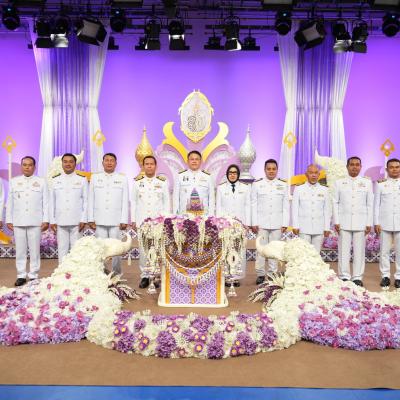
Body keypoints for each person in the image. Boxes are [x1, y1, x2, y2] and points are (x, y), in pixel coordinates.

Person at [6, 156, 49, 286]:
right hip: (18, 221)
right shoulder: (14, 182)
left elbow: (46, 203)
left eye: (30, 165)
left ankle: (33, 275)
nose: (27, 167)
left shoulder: (41, 182)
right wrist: (9, 219)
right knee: (20, 250)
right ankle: (21, 275)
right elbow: (10, 202)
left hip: (35, 221)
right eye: (24, 165)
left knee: (35, 250)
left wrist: (46, 219)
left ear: (34, 167)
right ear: (21, 166)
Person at [333, 156, 373, 287]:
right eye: (352, 164)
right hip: (343, 222)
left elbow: (369, 204)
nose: (354, 167)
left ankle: (357, 277)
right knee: (343, 250)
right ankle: (344, 276)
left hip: (361, 222)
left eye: (357, 165)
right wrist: (336, 221)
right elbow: (335, 202)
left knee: (359, 251)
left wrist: (369, 222)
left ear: (360, 167)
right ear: (347, 167)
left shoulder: (367, 183)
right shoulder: (339, 183)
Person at [131, 155, 170, 288]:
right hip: (142, 221)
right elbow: (134, 202)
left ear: (155, 166)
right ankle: (145, 276)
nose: (149, 166)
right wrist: (134, 220)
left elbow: (166, 202)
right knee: (143, 250)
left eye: (151, 164)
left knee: (157, 249)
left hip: (158, 222)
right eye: (146, 164)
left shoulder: (162, 182)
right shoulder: (137, 182)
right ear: (143, 166)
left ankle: (156, 276)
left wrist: (166, 219)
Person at [88, 153, 129, 274]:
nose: (109, 162)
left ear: (116, 163)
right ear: (103, 163)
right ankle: (101, 273)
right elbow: (91, 199)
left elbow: (125, 200)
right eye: (107, 160)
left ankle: (116, 273)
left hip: (116, 220)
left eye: (112, 160)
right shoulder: (95, 177)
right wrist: (90, 218)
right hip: (99, 220)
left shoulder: (122, 178)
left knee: (117, 249)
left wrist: (124, 219)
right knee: (101, 248)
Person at [251, 159, 289, 284]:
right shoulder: (257, 184)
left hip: (277, 223)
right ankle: (260, 274)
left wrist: (285, 223)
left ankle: (272, 273)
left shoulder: (283, 184)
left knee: (275, 250)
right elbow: (253, 204)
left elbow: (285, 205)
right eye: (269, 169)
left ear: (277, 170)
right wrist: (254, 222)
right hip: (261, 223)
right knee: (261, 249)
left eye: (274, 169)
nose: (271, 171)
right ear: (265, 170)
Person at [49, 153, 88, 263]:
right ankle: (62, 271)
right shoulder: (55, 180)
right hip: (60, 220)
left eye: (71, 162)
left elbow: (86, 201)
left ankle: (76, 272)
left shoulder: (82, 179)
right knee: (62, 250)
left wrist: (83, 219)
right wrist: (52, 220)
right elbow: (51, 201)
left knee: (77, 251)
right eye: (65, 162)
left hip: (77, 221)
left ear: (75, 164)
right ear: (61, 164)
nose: (68, 164)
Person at [216, 164, 251, 286]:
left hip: (240, 224)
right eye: (230, 173)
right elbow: (219, 206)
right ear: (227, 174)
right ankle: (227, 276)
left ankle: (236, 276)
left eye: (235, 173)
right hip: (226, 224)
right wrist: (219, 223)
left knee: (239, 249)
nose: (232, 175)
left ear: (238, 175)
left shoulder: (245, 188)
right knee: (226, 249)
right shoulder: (221, 188)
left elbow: (247, 206)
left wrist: (247, 223)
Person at [292, 164, 331, 252]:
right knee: (304, 254)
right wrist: (295, 225)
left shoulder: (325, 190)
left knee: (316, 254)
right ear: (306, 174)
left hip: (319, 228)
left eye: (316, 173)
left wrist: (327, 227)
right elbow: (295, 209)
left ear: (319, 174)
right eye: (311, 173)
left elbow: (327, 210)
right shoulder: (299, 189)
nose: (313, 175)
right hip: (303, 228)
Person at [374, 158, 400, 289]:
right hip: (385, 223)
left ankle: (399, 277)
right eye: (392, 167)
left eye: (397, 167)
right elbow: (376, 205)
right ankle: (385, 276)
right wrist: (376, 222)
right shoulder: (381, 185)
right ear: (387, 169)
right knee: (384, 251)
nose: (394, 169)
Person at [172, 150, 215, 216]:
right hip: (184, 216)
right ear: (187, 161)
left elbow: (211, 198)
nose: (194, 161)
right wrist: (176, 215)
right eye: (192, 159)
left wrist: (211, 216)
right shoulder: (180, 176)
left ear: (200, 161)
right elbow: (176, 197)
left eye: (197, 159)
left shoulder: (207, 177)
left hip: (203, 216)